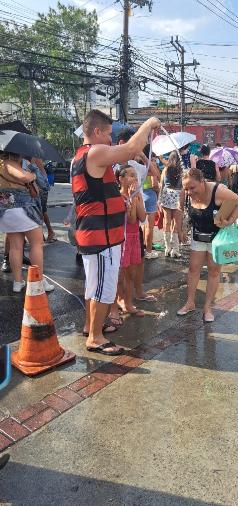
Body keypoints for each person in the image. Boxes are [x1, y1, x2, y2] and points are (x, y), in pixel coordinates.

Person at [73, 110, 160, 356]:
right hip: (102, 237)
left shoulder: (82, 156)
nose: (111, 140)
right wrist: (150, 123)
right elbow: (132, 149)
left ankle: (90, 327)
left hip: (95, 234)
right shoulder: (95, 152)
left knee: (94, 286)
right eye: (109, 134)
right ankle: (96, 338)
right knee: (104, 289)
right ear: (97, 132)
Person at [177, 168, 238, 323]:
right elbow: (180, 210)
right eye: (186, 188)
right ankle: (190, 303)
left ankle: (208, 308)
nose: (189, 192)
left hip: (217, 237)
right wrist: (180, 229)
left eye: (192, 188)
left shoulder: (218, 191)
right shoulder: (185, 193)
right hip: (198, 235)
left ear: (202, 181)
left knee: (213, 271)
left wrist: (231, 220)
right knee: (193, 269)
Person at [0, 151, 54, 293]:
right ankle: (39, 281)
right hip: (24, 208)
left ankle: (18, 282)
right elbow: (38, 182)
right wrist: (32, 172)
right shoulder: (9, 163)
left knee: (15, 247)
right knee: (37, 244)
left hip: (6, 211)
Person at [114, 165, 146, 318]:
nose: (134, 178)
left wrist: (135, 197)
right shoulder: (118, 197)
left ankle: (128, 302)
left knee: (131, 273)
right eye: (130, 175)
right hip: (122, 238)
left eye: (135, 175)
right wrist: (132, 198)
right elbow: (131, 218)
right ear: (121, 179)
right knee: (119, 274)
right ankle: (120, 300)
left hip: (134, 237)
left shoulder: (136, 195)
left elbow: (143, 217)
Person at [159, 151, 186, 257]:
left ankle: (167, 248)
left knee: (167, 222)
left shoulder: (165, 169)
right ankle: (175, 249)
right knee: (176, 223)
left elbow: (161, 184)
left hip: (167, 194)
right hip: (178, 195)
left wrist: (159, 199)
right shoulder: (182, 171)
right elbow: (184, 187)